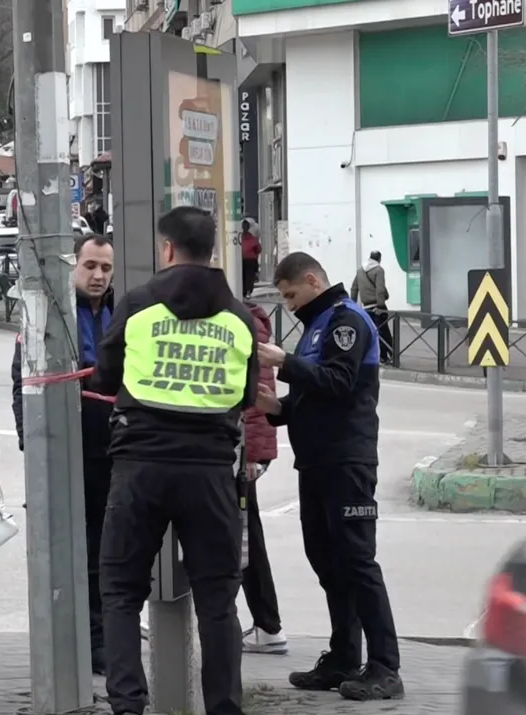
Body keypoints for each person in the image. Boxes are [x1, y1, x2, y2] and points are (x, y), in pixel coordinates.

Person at [91, 206, 257, 715]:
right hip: (210, 471)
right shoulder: (239, 317)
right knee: (217, 601)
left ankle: (128, 705)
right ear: (212, 251)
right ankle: (224, 708)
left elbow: (105, 377)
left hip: (140, 465)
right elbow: (246, 396)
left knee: (121, 590)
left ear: (166, 249)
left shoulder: (138, 305)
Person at [256, 251, 402, 701]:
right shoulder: (316, 326)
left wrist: (284, 362)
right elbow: (313, 395)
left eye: (291, 295)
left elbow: (339, 382)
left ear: (312, 280)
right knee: (327, 561)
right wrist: (277, 408)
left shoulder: (346, 320)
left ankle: (385, 667)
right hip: (316, 462)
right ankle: (343, 657)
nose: (289, 305)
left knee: (356, 561)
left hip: (347, 462)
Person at [11, 231, 115, 674]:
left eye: (106, 268)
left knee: (107, 549)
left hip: (114, 450)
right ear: (73, 266)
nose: (98, 276)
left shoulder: (121, 311)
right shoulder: (52, 314)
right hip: (66, 449)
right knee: (72, 549)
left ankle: (103, 637)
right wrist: (31, 443)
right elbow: (23, 383)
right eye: (90, 266)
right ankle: (79, 639)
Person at [239, 299, 286, 655]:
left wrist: (252, 456)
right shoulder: (248, 318)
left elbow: (256, 396)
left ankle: (268, 625)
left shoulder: (243, 321)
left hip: (240, 455)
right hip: (240, 452)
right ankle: (267, 624)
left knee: (245, 539)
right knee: (245, 535)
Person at [351, 250, 393, 362]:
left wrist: (352, 304)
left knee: (374, 332)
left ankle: (382, 355)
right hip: (377, 306)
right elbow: (380, 289)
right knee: (384, 331)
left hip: (366, 308)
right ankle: (388, 355)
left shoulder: (360, 271)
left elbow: (354, 288)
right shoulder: (379, 270)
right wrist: (380, 306)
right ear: (379, 259)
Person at [241, 218, 262, 297]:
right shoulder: (252, 237)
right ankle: (248, 291)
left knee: (243, 276)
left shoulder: (240, 236)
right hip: (251, 260)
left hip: (242, 259)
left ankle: (244, 291)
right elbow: (258, 249)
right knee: (249, 276)